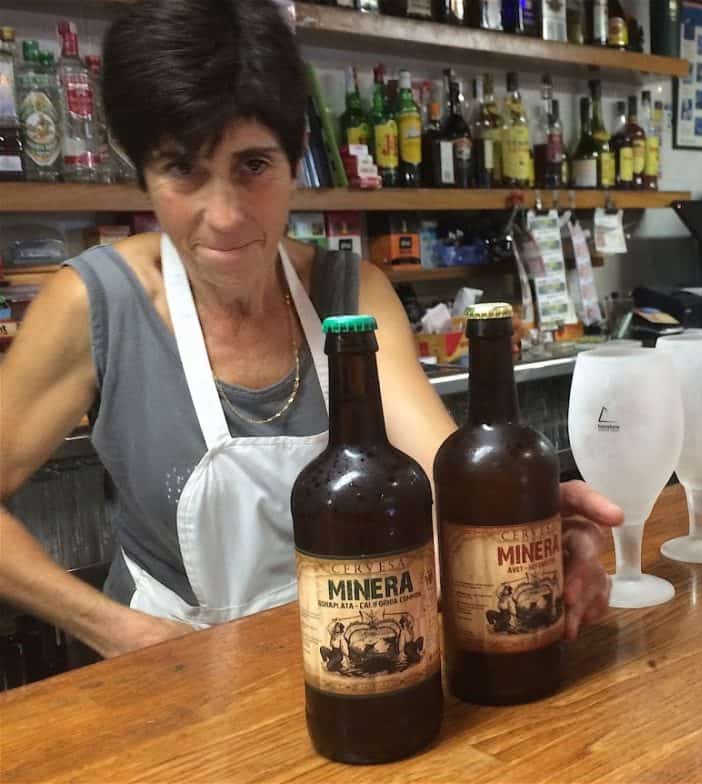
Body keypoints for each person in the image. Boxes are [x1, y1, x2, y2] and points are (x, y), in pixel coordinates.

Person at [0, 0, 621, 660]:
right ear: (141, 169)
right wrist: (121, 632)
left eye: (253, 166)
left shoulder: (352, 295)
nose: (225, 216)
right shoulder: (96, 304)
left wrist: (522, 517)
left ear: (296, 160)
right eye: (183, 167)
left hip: (355, 652)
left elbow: (443, 470)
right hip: (170, 671)